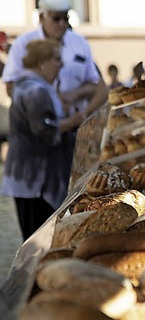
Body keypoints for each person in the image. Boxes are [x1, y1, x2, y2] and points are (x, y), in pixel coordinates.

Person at [1, 39, 84, 239]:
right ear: (42, 62)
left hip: (33, 179)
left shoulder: (34, 86)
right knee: (38, 239)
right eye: (57, 60)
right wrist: (72, 121)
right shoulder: (34, 90)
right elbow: (44, 130)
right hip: (35, 180)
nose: (60, 65)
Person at [2, 0, 107, 121]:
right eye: (56, 18)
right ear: (41, 17)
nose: (62, 24)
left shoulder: (79, 42)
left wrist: (74, 95)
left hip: (75, 121)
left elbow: (95, 83)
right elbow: (11, 87)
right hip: (38, 125)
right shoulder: (23, 44)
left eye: (66, 19)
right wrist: (47, 103)